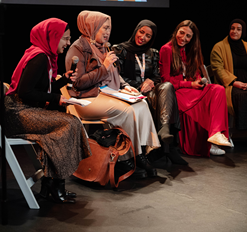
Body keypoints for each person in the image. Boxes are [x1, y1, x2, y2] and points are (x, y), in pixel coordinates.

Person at [4, 18, 91, 204]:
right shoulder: (39, 57)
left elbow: (40, 88)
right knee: (69, 123)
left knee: (65, 122)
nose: (68, 43)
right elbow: (25, 92)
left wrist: (63, 81)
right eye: (65, 39)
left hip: (22, 108)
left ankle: (51, 183)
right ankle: (54, 183)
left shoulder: (43, 55)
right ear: (52, 37)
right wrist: (57, 98)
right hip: (16, 113)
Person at [65, 11, 160, 178]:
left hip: (105, 93)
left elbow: (114, 73)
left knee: (141, 104)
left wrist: (125, 86)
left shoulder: (103, 46)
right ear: (92, 27)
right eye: (105, 28)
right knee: (127, 111)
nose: (108, 32)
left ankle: (141, 153)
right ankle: (126, 159)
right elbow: (78, 83)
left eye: (110, 28)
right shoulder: (78, 49)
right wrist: (104, 67)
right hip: (86, 99)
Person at [112, 20, 187, 165]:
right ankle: (167, 149)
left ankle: (164, 129)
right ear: (136, 31)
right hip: (129, 91)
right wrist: (140, 84)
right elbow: (117, 76)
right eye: (141, 32)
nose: (143, 37)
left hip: (149, 91)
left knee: (167, 87)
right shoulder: (120, 49)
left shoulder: (153, 53)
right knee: (160, 99)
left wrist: (151, 81)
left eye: (148, 36)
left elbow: (157, 76)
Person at [159, 20, 232, 157]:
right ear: (176, 31)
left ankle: (216, 134)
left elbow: (195, 75)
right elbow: (166, 82)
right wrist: (189, 84)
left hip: (191, 88)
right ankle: (210, 144)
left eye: (188, 36)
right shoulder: (166, 49)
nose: (184, 38)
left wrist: (198, 81)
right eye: (182, 33)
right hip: (176, 91)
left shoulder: (192, 50)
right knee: (201, 100)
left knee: (218, 89)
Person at [210, 19, 247, 133]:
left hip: (246, 83)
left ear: (243, 32)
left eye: (238, 29)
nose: (234, 31)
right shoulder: (219, 47)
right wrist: (234, 82)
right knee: (241, 97)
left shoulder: (246, 46)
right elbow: (218, 69)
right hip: (230, 85)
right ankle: (241, 130)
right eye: (232, 28)